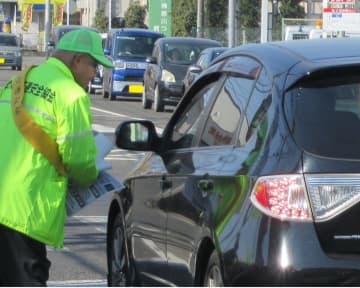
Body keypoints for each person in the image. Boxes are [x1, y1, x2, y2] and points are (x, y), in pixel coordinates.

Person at [0, 29, 114, 286]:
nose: (94, 73)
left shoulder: (17, 82)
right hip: (24, 213)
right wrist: (94, 172)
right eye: (93, 65)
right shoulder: (71, 96)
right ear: (77, 61)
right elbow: (81, 164)